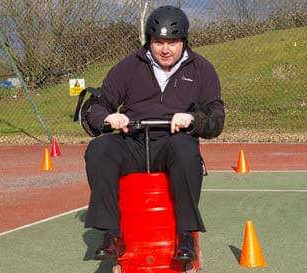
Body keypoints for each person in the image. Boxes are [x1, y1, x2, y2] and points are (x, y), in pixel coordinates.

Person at [83, 5, 225, 262]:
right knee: (99, 149)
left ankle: (185, 236)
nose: (165, 49)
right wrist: (107, 118)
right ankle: (112, 234)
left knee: (185, 150)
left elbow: (217, 118)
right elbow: (96, 105)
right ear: (149, 40)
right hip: (134, 142)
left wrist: (193, 119)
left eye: (172, 42)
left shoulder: (201, 69)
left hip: (174, 141)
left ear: (184, 40)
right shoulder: (129, 66)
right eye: (159, 42)